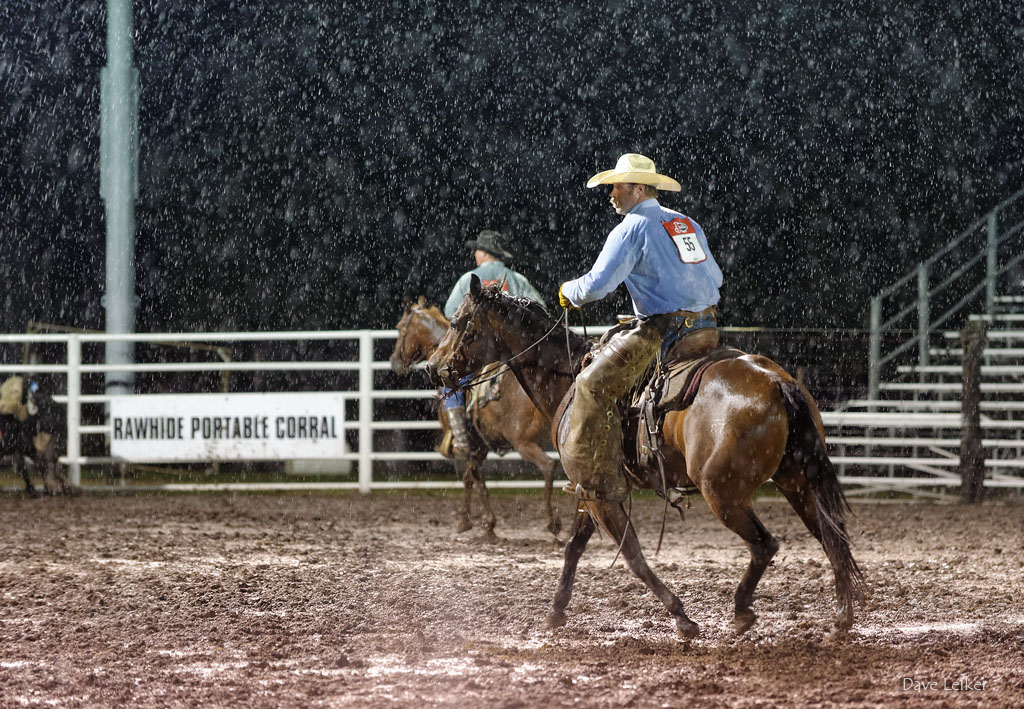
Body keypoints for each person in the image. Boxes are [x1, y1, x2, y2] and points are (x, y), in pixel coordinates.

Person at [557, 153, 723, 502]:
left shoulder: (631, 228)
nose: (611, 194)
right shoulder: (685, 223)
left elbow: (596, 287)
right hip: (707, 326)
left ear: (636, 188)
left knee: (590, 384)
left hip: (665, 331)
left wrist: (567, 291)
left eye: (617, 187)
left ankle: (595, 474)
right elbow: (716, 276)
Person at [442, 229, 545, 458]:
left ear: (484, 253)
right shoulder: (517, 280)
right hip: (514, 352)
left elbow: (451, 312)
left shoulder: (468, 281)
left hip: (482, 352)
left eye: (477, 250)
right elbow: (540, 310)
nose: (475, 253)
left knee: (450, 380)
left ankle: (461, 438)